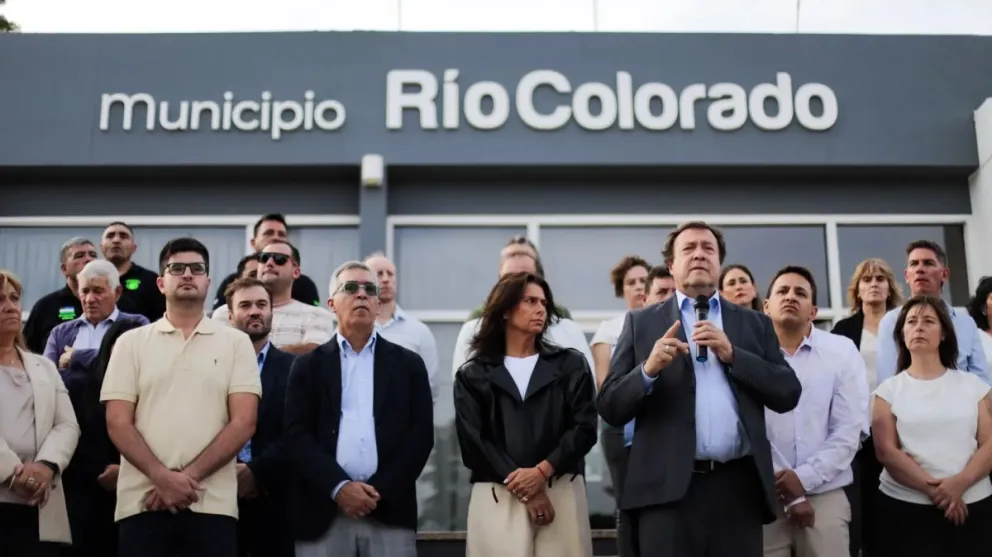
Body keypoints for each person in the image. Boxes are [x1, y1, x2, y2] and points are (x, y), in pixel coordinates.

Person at [597, 221, 802, 557]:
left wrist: (734, 355)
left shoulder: (754, 323)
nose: (699, 255)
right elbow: (610, 406)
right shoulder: (641, 322)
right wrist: (648, 370)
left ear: (719, 262)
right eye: (688, 249)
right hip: (666, 496)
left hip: (738, 492)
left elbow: (788, 392)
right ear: (672, 265)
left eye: (708, 248)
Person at [101, 238, 262, 557]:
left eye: (197, 268)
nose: (187, 274)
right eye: (177, 268)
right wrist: (161, 478)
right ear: (161, 282)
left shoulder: (237, 343)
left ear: (208, 281)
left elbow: (244, 421)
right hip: (142, 503)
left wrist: (182, 481)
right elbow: (117, 422)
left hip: (212, 505)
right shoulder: (130, 343)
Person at [284, 261, 434, 557]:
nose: (361, 295)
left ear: (379, 305)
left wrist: (378, 492)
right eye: (351, 288)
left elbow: (421, 436)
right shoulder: (307, 366)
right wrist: (339, 487)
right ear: (331, 304)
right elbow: (296, 435)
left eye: (370, 289)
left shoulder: (409, 364)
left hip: (389, 511)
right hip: (321, 512)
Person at [455, 271, 597, 557]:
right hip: (497, 495)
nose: (541, 309)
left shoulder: (571, 364)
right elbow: (474, 442)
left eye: (544, 303)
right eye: (530, 301)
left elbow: (585, 428)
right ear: (505, 310)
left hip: (562, 491)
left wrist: (542, 471)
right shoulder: (472, 374)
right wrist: (528, 489)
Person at [873, 295, 992, 556]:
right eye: (911, 322)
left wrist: (960, 483)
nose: (918, 327)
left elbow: (989, 444)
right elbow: (886, 452)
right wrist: (941, 493)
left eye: (928, 321)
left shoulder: (974, 386)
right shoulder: (887, 391)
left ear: (944, 335)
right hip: (906, 510)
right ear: (902, 334)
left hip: (974, 506)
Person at [0, 270, 80, 556]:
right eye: (0, 300)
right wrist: (14, 474)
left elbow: (67, 425)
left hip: (38, 502)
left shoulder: (43, 366)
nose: (10, 306)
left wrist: (46, 466)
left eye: (14, 298)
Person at [831, 257, 902, 557]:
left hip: (901, 429)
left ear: (890, 288)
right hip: (858, 434)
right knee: (862, 509)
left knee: (896, 511)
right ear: (857, 291)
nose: (874, 284)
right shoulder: (844, 328)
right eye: (867, 279)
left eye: (880, 279)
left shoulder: (904, 324)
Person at [61, 318, 145, 557]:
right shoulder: (77, 388)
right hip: (86, 500)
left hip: (142, 500)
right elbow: (69, 443)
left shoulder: (161, 394)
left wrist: (127, 472)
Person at [224, 278, 296, 557]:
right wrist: (234, 471)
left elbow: (299, 432)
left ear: (271, 312)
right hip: (219, 499)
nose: (255, 311)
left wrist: (256, 472)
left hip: (276, 502)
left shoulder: (296, 370)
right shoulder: (212, 367)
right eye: (245, 305)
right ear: (230, 316)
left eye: (261, 304)